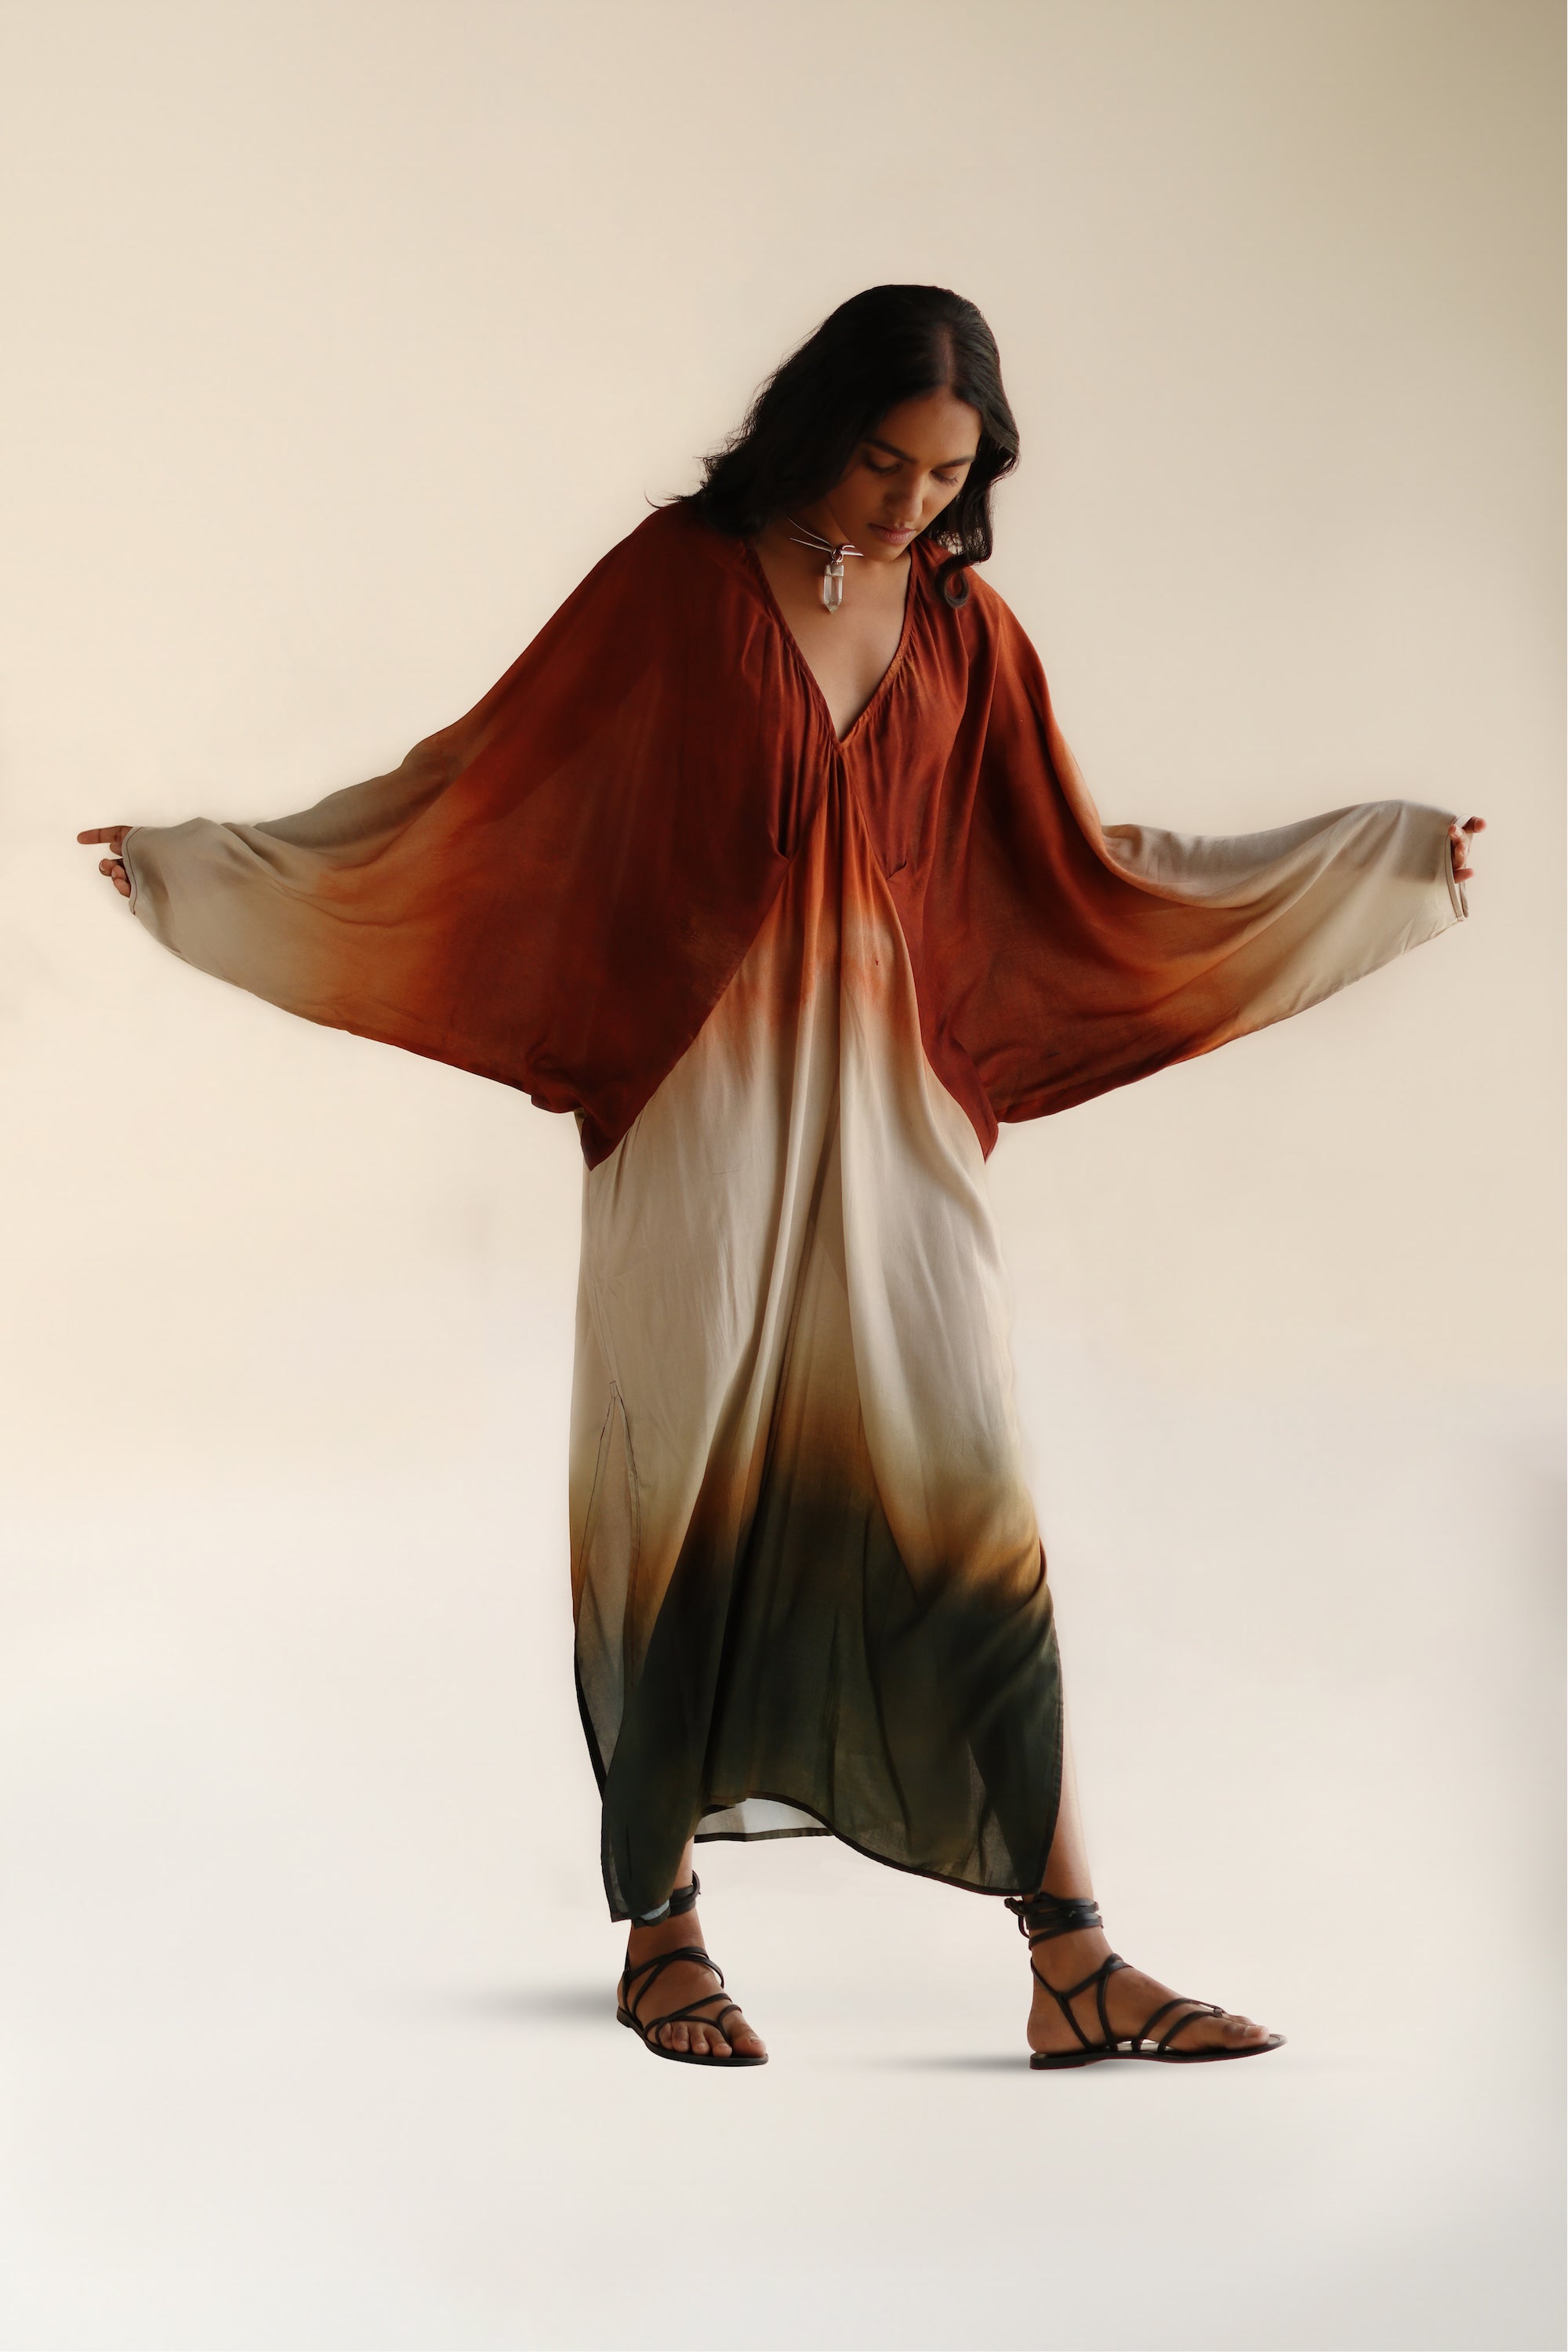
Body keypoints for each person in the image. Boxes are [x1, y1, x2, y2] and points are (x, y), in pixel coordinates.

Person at [80, 284, 1483, 2072]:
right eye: (885, 462)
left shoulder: (965, 630)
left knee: (968, 1487)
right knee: (678, 1476)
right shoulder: (673, 587)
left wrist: (1372, 858)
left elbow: (1079, 860)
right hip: (699, 1099)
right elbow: (476, 789)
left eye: (948, 474)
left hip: (896, 1115)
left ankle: (1074, 1962)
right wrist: (216, 868)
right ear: (815, 424)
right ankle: (662, 1930)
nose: (910, 504)